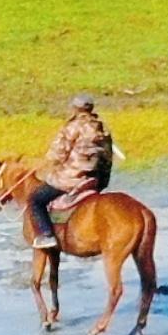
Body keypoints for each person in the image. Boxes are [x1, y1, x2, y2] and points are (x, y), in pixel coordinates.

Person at [30, 92, 114, 245]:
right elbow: (108, 157)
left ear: (75, 109)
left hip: (71, 178)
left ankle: (47, 235)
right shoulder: (102, 128)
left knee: (36, 199)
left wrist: (44, 163)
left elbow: (58, 154)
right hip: (94, 179)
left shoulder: (72, 127)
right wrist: (103, 180)